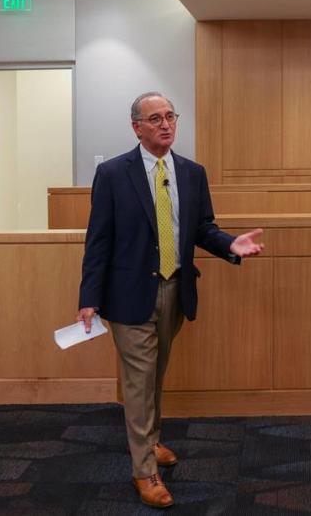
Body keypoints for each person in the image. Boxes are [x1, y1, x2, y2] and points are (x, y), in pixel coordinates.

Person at [76, 92, 263, 509]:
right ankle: (144, 470)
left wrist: (231, 243)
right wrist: (89, 297)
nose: (165, 124)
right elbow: (98, 241)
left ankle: (150, 440)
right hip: (127, 296)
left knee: (156, 373)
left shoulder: (192, 173)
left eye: (170, 117)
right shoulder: (112, 174)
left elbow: (202, 228)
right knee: (139, 381)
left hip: (176, 289)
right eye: (155, 118)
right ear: (136, 127)